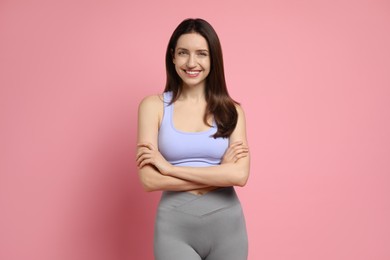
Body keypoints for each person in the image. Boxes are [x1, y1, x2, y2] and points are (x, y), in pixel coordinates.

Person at [136, 18, 250, 260]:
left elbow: (239, 176)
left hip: (228, 227)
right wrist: (219, 174)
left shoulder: (232, 111)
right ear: (173, 57)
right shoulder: (153, 107)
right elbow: (149, 180)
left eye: (201, 54)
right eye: (183, 53)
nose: (191, 62)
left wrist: (169, 169)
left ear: (213, 59)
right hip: (174, 227)